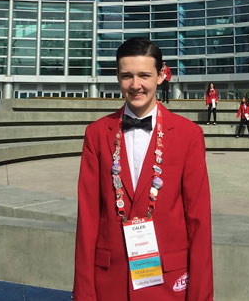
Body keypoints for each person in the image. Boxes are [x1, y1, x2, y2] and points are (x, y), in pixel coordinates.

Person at [73, 37, 213, 301]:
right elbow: (87, 219)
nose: (135, 85)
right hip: (108, 283)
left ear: (161, 76)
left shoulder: (188, 135)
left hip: (169, 283)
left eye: (144, 75)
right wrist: (83, 293)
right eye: (127, 76)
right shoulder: (96, 134)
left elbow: (199, 222)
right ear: (117, 77)